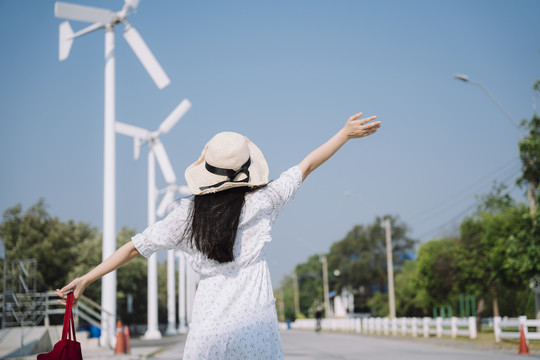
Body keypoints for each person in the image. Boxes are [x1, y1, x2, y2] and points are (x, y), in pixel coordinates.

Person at [56, 112, 381, 359]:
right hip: (256, 334)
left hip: (208, 336)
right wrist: (345, 133)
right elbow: (306, 165)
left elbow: (134, 248)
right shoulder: (263, 202)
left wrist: (86, 277)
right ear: (248, 167)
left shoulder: (186, 215)